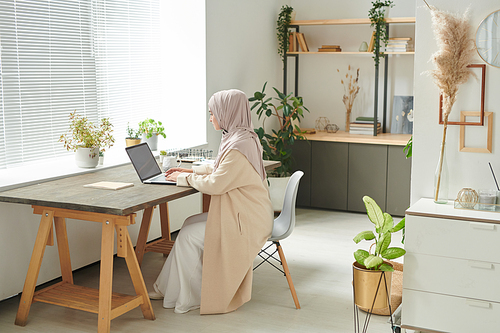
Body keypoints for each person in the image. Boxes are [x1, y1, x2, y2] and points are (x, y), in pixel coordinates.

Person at [149, 89, 274, 315]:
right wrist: (189, 169)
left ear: (227, 112)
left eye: (212, 113)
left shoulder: (239, 146)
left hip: (247, 221)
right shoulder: (243, 137)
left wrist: (183, 178)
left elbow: (216, 183)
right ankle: (168, 287)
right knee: (189, 223)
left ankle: (191, 298)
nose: (210, 118)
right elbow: (220, 167)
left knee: (187, 235)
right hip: (247, 212)